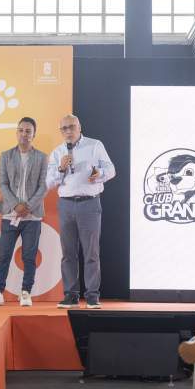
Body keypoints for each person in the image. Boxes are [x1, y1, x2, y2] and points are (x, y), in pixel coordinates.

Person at [46, 114, 115, 309]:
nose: (68, 131)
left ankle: (92, 296)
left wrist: (99, 174)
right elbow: (48, 183)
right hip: (66, 204)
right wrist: (61, 168)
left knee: (91, 252)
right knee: (68, 252)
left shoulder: (95, 145)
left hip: (89, 203)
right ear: (61, 131)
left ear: (79, 127)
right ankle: (71, 295)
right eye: (64, 128)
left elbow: (111, 170)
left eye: (72, 127)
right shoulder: (57, 152)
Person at [0, 117, 48, 307]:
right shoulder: (6, 156)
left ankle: (26, 293)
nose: (24, 134)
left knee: (29, 256)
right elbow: (2, 183)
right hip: (9, 214)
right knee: (4, 255)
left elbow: (44, 186)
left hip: (32, 216)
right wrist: (15, 205)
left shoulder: (42, 157)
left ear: (33, 134)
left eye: (28, 131)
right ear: (16, 132)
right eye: (21, 130)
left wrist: (28, 206)